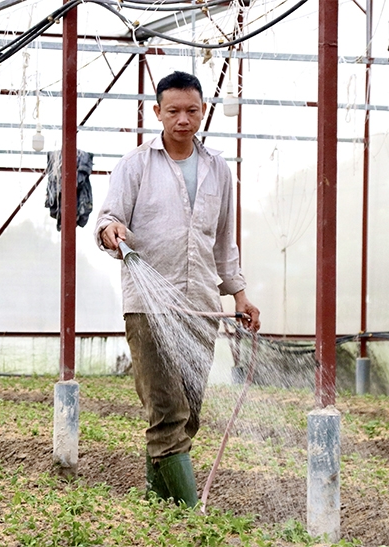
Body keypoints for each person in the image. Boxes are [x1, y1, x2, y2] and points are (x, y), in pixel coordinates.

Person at [94, 71, 260, 507]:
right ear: (158, 113)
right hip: (149, 306)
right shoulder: (135, 166)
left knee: (188, 416)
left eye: (191, 110)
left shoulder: (217, 169)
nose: (183, 120)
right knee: (169, 414)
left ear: (202, 110)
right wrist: (111, 230)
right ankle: (191, 519)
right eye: (173, 111)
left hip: (201, 306)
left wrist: (239, 295)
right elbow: (108, 218)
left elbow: (224, 241)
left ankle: (157, 508)